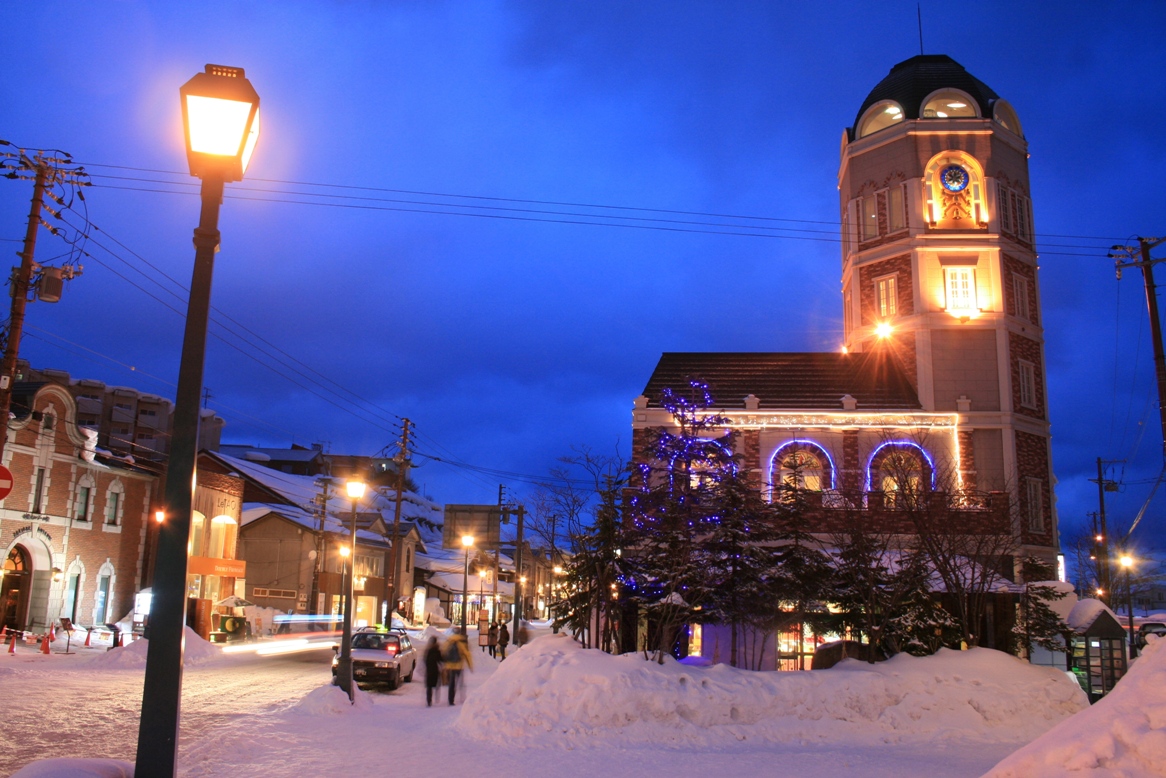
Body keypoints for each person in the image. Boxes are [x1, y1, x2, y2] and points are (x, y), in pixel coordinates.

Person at [444, 628, 474, 705]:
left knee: (451, 683)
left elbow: (444, 652)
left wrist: (445, 664)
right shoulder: (462, 641)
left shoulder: (449, 640)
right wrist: (470, 665)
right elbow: (467, 654)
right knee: (460, 681)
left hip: (450, 666)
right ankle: (462, 697)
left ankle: (451, 699)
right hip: (459, 666)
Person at [423, 636, 443, 707]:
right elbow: (441, 660)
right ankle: (436, 698)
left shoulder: (428, 650)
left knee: (429, 686)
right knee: (435, 685)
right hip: (435, 670)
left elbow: (425, 660)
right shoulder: (437, 650)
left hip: (429, 670)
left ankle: (429, 701)